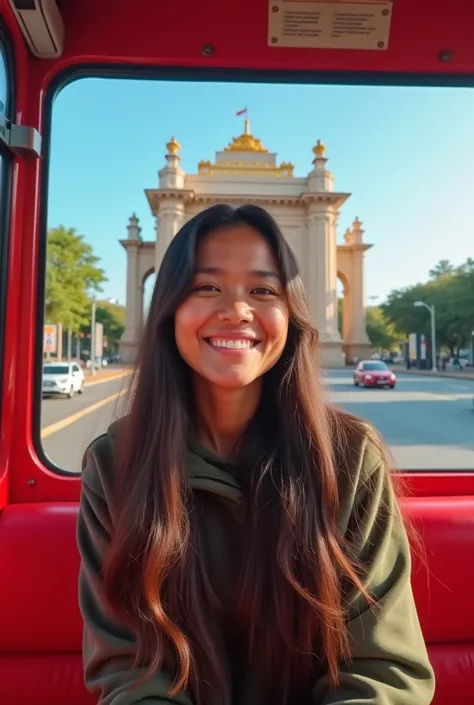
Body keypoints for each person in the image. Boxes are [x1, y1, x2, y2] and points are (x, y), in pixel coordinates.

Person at [77, 204, 435, 705]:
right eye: (207, 287)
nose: (237, 310)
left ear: (292, 313)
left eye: (264, 290)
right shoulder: (116, 465)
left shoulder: (350, 459)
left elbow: (380, 674)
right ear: (169, 308)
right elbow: (132, 670)